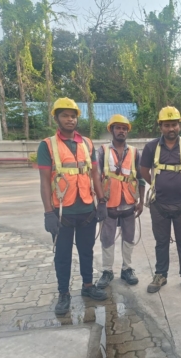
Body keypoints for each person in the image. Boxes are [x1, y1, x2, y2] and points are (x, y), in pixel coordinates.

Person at [38, 97, 108, 316]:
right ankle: (64, 293)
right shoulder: (47, 145)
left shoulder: (87, 143)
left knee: (87, 251)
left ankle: (88, 286)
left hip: (87, 209)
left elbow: (95, 174)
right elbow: (44, 180)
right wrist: (48, 212)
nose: (70, 119)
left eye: (73, 116)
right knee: (63, 256)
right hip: (62, 212)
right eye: (65, 115)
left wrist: (101, 201)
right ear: (57, 118)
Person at [140, 106, 181, 294]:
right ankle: (160, 274)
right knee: (161, 242)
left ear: (179, 125)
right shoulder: (151, 147)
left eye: (174, 124)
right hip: (159, 204)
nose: (171, 129)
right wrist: (156, 185)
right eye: (167, 125)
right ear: (161, 127)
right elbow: (144, 171)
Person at [96, 114, 145, 289]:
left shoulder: (134, 152)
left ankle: (127, 269)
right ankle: (107, 271)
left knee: (129, 237)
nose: (121, 131)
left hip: (129, 203)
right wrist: (100, 202)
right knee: (107, 238)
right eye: (118, 128)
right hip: (109, 203)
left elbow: (140, 178)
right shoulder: (102, 151)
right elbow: (96, 177)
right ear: (112, 130)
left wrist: (141, 202)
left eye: (124, 128)